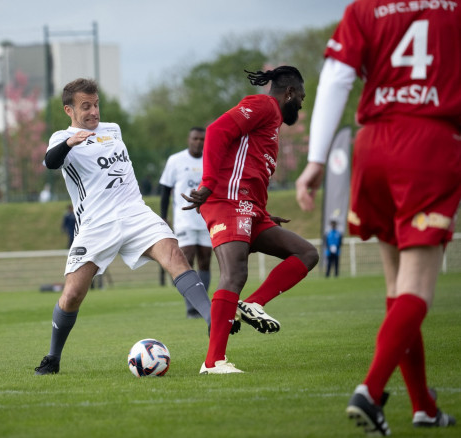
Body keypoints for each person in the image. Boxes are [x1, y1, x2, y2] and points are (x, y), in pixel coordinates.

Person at [295, 1, 459, 434]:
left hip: (373, 145)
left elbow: (336, 78)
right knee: (418, 288)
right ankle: (369, 391)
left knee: (396, 287)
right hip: (429, 140)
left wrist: (315, 159)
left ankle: (423, 405)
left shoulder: (365, 9)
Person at [35, 78, 212, 375]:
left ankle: (212, 320)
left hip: (134, 212)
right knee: (73, 294)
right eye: (85, 106)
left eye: (96, 104)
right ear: (69, 109)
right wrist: (69, 143)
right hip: (96, 223)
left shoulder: (113, 130)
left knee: (174, 254)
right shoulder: (61, 138)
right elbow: (51, 162)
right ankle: (53, 357)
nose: (94, 112)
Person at [183, 66, 319, 374]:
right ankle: (213, 362)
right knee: (234, 274)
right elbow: (217, 130)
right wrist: (207, 183)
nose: (300, 104)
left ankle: (254, 303)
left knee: (307, 253)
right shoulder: (263, 106)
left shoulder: (271, 122)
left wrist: (263, 211)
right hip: (228, 202)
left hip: (251, 208)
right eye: (301, 97)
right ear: (290, 93)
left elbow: (249, 166)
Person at [159, 127, 213, 318]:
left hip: (207, 218)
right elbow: (165, 190)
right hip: (184, 219)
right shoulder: (176, 160)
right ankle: (192, 306)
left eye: (201, 139)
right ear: (188, 139)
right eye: (195, 138)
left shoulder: (211, 159)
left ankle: (201, 304)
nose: (198, 142)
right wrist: (164, 216)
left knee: (205, 260)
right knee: (186, 259)